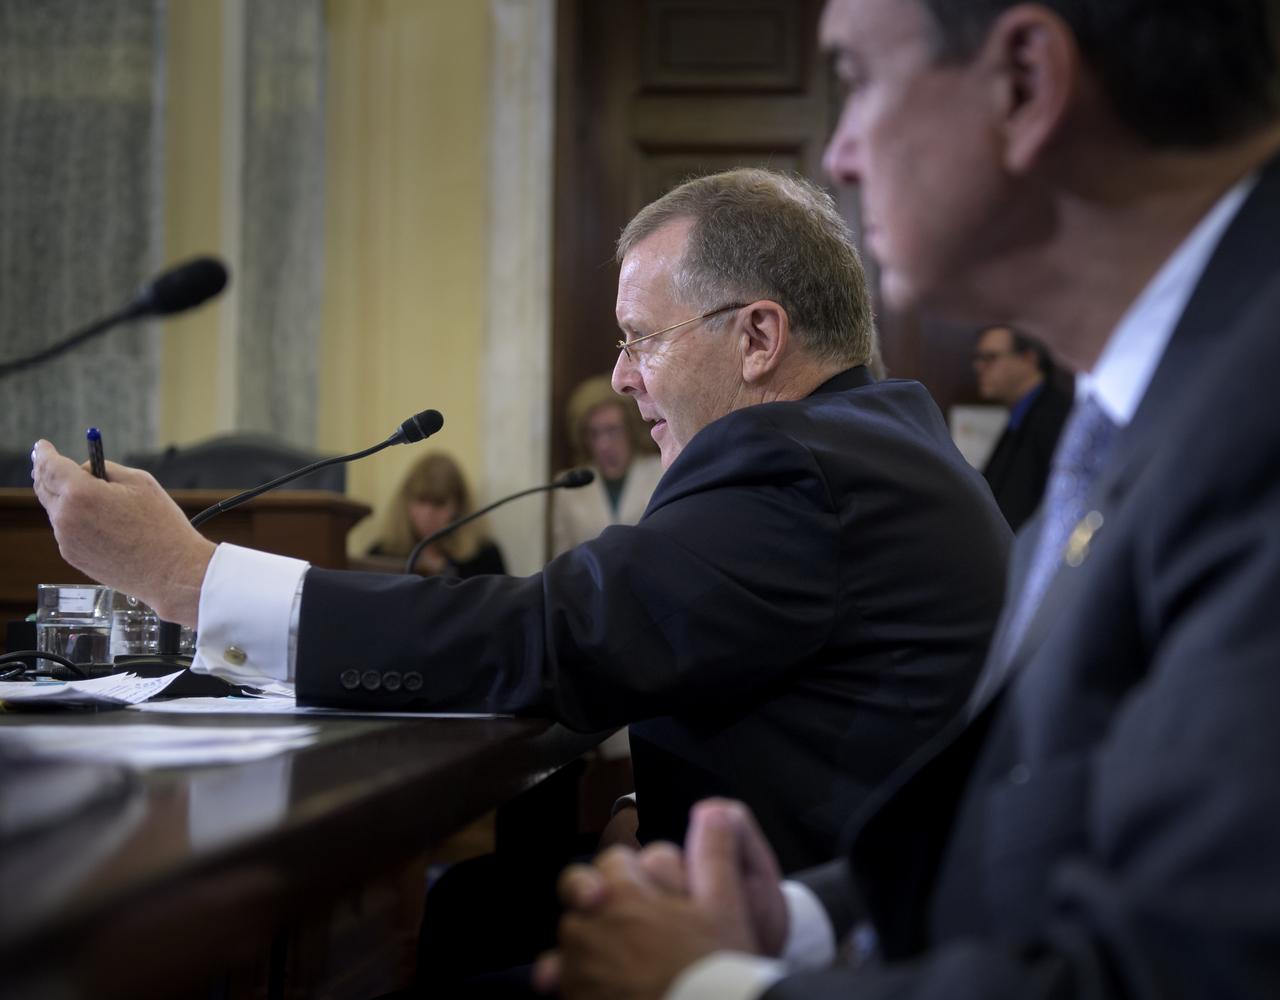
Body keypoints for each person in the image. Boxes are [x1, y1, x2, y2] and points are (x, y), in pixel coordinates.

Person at [538, 1, 1280, 998]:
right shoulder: (1170, 384)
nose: (838, 153)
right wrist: (796, 923)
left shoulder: (1250, 415)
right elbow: (1047, 829)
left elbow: (1178, 970)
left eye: (856, 78)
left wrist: (712, 987)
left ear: (1021, 80)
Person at [31, 167, 1009, 878]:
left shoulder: (797, 469)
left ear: (756, 336)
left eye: (639, 341)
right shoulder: (869, 444)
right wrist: (640, 804)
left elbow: (560, 630)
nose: (624, 379)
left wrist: (191, 580)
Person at [551, 375, 663, 557]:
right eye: (593, 433)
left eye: (612, 430)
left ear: (630, 429)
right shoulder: (568, 486)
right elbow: (562, 559)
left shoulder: (661, 471)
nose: (603, 444)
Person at [972, 325, 1071, 531]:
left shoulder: (1054, 417)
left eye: (990, 358)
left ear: (1028, 359)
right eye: (978, 358)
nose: (978, 367)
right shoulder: (1022, 416)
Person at [365, 451, 506, 578]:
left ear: (459, 506)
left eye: (439, 503)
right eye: (421, 501)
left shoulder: (485, 557)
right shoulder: (381, 556)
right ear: (406, 502)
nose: (428, 514)